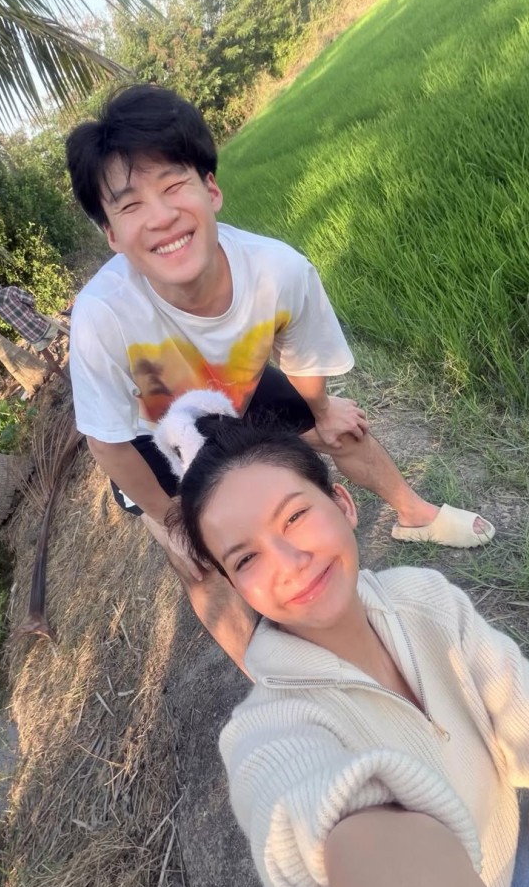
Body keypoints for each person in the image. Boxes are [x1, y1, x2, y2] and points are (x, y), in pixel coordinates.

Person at [155, 390, 529, 887]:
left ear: (343, 503)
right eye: (246, 557)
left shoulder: (421, 599)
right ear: (236, 586)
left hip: (501, 876)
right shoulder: (265, 734)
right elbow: (332, 822)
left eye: (294, 517)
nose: (288, 562)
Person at [65, 83, 494, 669]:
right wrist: (171, 520)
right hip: (155, 432)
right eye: (130, 205)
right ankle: (268, 673)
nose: (161, 217)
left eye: (173, 185)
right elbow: (108, 443)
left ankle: (414, 514)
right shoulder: (101, 316)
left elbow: (303, 356)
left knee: (345, 430)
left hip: (234, 390)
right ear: (112, 235)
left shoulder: (278, 269)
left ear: (211, 189)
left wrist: (321, 411)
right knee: (195, 559)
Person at [0, 274, 67, 375]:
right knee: (65, 328)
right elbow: (31, 300)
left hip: (30, 336)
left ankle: (67, 380)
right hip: (40, 324)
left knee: (49, 358)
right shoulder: (10, 290)